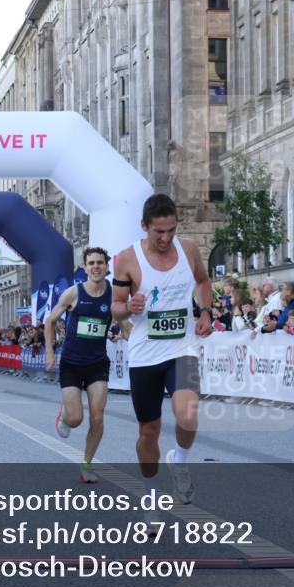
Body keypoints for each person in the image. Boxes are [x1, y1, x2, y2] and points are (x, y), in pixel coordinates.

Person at [111, 194, 213, 510]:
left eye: (171, 230)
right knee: (149, 432)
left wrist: (206, 311)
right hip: (144, 355)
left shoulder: (189, 250)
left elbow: (203, 280)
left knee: (188, 413)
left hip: (182, 348)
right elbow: (115, 309)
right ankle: (151, 496)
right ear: (145, 226)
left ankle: (180, 462)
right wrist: (128, 307)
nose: (166, 238)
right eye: (159, 232)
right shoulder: (127, 259)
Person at [46, 246, 117, 484]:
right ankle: (65, 416)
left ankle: (86, 464)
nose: (96, 266)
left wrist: (125, 332)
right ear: (85, 268)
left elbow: (123, 324)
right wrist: (49, 352)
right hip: (72, 363)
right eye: (91, 263)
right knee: (76, 419)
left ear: (107, 267)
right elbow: (50, 321)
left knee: (97, 418)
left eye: (100, 262)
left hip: (98, 364)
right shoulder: (72, 293)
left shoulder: (114, 295)